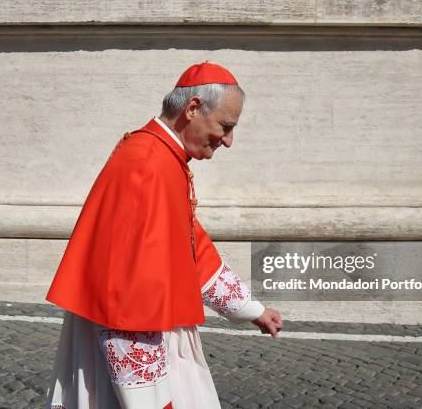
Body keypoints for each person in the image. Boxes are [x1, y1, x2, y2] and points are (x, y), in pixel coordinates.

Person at [44, 62, 283, 409]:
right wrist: (146, 399)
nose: (229, 141)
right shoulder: (147, 166)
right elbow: (128, 296)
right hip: (138, 353)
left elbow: (190, 247)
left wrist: (251, 309)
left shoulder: (162, 157)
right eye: (225, 126)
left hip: (154, 335)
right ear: (193, 108)